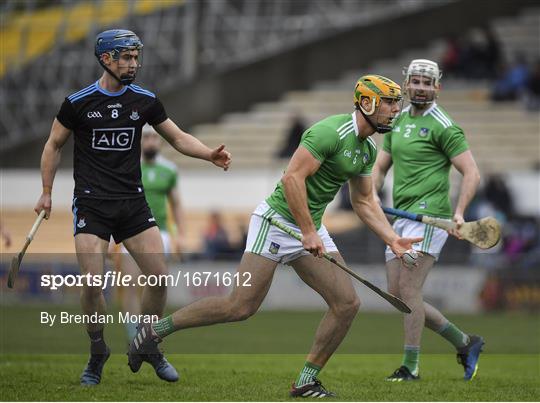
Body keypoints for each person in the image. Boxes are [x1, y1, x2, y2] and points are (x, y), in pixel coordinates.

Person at [128, 74, 422, 397]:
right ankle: (155, 331)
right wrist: (308, 231)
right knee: (239, 307)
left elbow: (364, 201)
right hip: (277, 221)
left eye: (397, 103)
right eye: (390, 103)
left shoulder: (367, 149)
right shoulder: (329, 133)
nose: (396, 110)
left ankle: (307, 380)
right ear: (367, 103)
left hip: (310, 227)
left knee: (347, 303)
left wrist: (391, 239)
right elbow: (292, 180)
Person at [33, 29, 231, 386]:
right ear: (106, 59)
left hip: (132, 204)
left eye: (136, 57)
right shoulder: (77, 103)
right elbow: (52, 145)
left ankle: (148, 344)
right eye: (126, 57)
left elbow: (178, 137)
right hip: (92, 205)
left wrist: (208, 154)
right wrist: (46, 191)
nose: (133, 64)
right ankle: (97, 352)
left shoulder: (144, 100)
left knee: (158, 278)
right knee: (93, 286)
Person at [372, 59, 484, 382]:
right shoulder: (397, 121)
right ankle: (465, 343)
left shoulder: (444, 125)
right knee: (399, 294)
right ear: (406, 84)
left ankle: (410, 366)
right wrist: (373, 193)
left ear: (438, 87)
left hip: (431, 217)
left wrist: (460, 212)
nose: (420, 87)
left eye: (427, 82)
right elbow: (380, 167)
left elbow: (471, 172)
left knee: (408, 288)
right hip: (401, 216)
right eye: (416, 81)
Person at [116, 124, 187, 340]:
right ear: (139, 140)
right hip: (130, 232)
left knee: (156, 285)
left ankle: (150, 332)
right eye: (146, 137)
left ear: (160, 142)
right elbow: (118, 202)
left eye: (154, 138)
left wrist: (181, 235)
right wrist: (112, 236)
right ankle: (133, 334)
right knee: (130, 284)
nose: (150, 142)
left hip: (161, 234)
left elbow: (176, 204)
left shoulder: (169, 170)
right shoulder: (128, 168)